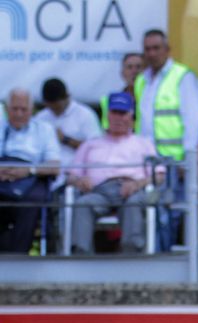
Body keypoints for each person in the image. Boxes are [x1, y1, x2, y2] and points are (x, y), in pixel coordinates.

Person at [67, 92, 164, 255]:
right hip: (99, 191)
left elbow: (159, 176)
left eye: (123, 113)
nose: (118, 118)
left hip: (131, 189)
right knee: (82, 204)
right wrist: (79, 181)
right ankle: (81, 257)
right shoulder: (91, 144)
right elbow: (71, 176)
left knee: (134, 204)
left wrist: (137, 184)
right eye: (114, 112)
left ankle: (131, 256)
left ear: (131, 117)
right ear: (108, 115)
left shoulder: (143, 143)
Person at [0, 89, 61, 254]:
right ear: (6, 109)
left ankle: (18, 256)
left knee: (33, 201)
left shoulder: (44, 129)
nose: (19, 114)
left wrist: (29, 170)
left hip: (31, 176)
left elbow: (54, 166)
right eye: (15, 109)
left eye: (23, 109)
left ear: (32, 110)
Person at [135, 29, 198, 165]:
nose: (152, 53)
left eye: (156, 48)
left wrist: (187, 158)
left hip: (174, 159)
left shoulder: (183, 76)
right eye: (147, 49)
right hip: (147, 157)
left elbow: (193, 120)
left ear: (167, 50)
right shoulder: (141, 80)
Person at [34, 78, 101, 171]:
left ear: (67, 97)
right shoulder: (40, 118)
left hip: (76, 175)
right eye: (51, 107)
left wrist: (66, 139)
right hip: (45, 175)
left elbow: (96, 150)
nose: (54, 110)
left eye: (57, 107)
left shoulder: (85, 115)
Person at [99, 52, 145, 128]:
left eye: (138, 67)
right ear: (122, 73)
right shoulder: (109, 101)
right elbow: (107, 128)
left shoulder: (152, 98)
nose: (134, 71)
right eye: (129, 67)